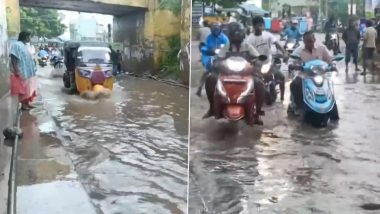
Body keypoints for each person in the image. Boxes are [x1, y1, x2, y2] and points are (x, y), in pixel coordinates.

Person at [204, 22, 265, 124]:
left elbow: (257, 57)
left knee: (259, 84)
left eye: (238, 34)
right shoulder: (226, 47)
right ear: (230, 35)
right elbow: (218, 58)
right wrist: (217, 63)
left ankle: (257, 112)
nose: (236, 37)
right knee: (210, 79)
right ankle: (212, 108)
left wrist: (257, 63)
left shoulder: (247, 46)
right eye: (234, 35)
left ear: (242, 35)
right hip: (227, 73)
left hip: (245, 73)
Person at [290, 31, 335, 115]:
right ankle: (296, 106)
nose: (310, 43)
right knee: (294, 84)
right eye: (307, 41)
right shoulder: (299, 51)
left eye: (311, 40)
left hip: (320, 75)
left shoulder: (321, 48)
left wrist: (333, 65)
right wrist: (293, 65)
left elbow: (330, 59)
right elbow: (291, 61)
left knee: (330, 84)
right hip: (305, 76)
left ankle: (333, 107)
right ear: (304, 41)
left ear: (314, 39)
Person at [245, 16, 288, 101]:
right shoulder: (249, 39)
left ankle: (282, 97)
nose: (260, 27)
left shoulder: (267, 35)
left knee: (282, 77)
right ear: (254, 26)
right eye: (258, 25)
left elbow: (276, 43)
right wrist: (251, 59)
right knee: (250, 81)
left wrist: (284, 52)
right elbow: (247, 52)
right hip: (257, 65)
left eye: (262, 25)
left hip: (269, 63)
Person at [196, 22, 229, 97]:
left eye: (217, 29)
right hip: (210, 56)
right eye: (214, 30)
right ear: (211, 30)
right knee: (206, 71)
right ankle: (200, 88)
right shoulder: (208, 38)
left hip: (222, 57)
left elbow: (227, 47)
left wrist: (225, 52)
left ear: (220, 29)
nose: (216, 31)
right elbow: (204, 46)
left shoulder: (224, 38)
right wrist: (206, 50)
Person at [10, 31, 38, 110]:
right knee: (23, 88)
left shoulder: (25, 46)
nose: (30, 38)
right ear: (25, 37)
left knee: (29, 88)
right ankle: (23, 105)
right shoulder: (16, 45)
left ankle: (27, 103)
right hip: (22, 70)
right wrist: (16, 70)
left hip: (28, 71)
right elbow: (13, 57)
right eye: (29, 36)